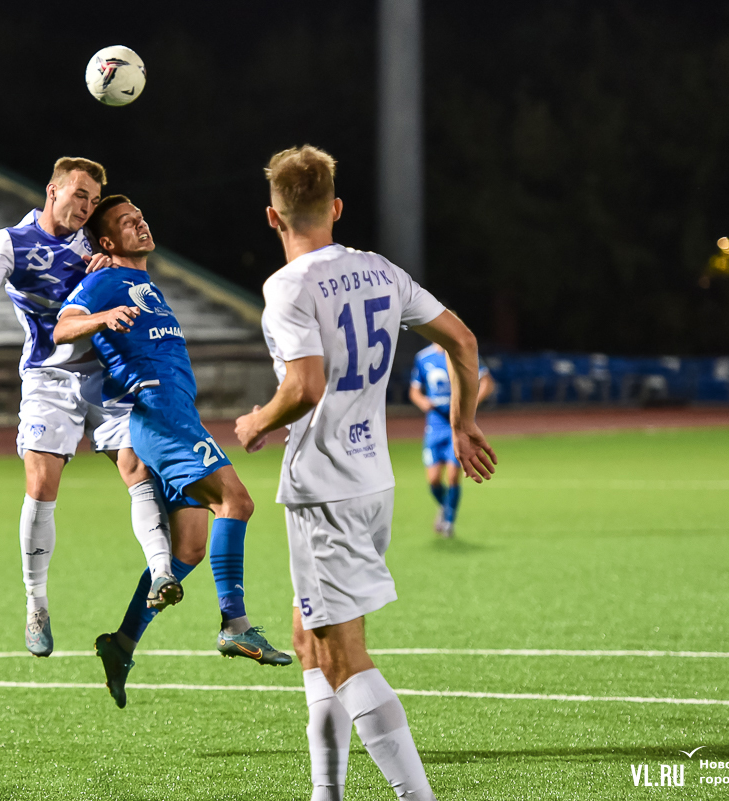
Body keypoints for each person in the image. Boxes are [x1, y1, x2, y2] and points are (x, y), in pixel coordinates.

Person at [235, 146, 497, 801]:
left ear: (273, 216)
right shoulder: (379, 271)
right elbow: (461, 340)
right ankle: (328, 791)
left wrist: (258, 421)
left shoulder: (287, 287)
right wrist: (464, 421)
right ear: (337, 207)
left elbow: (305, 382)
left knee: (344, 654)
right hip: (372, 479)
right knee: (310, 637)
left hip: (323, 487)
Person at [54, 194, 292, 707]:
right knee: (237, 502)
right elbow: (62, 327)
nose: (141, 223)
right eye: (126, 222)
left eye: (141, 215)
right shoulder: (104, 282)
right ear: (108, 242)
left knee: (188, 549)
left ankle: (120, 643)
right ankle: (235, 623)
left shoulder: (147, 285)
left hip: (174, 417)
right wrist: (99, 318)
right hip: (159, 417)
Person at [0, 158, 181, 659]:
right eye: (79, 194)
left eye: (93, 199)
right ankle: (36, 604)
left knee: (135, 466)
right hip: (48, 376)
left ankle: (162, 570)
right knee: (41, 484)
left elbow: (129, 265)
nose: (86, 206)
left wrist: (110, 261)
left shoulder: (92, 241)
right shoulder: (12, 241)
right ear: (52, 190)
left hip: (104, 371)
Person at [409, 343, 495, 536]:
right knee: (433, 480)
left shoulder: (463, 351)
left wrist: (470, 404)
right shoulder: (423, 357)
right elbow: (414, 390)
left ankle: (448, 522)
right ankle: (445, 506)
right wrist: (422, 401)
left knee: (454, 476)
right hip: (435, 425)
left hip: (457, 425)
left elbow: (488, 382)